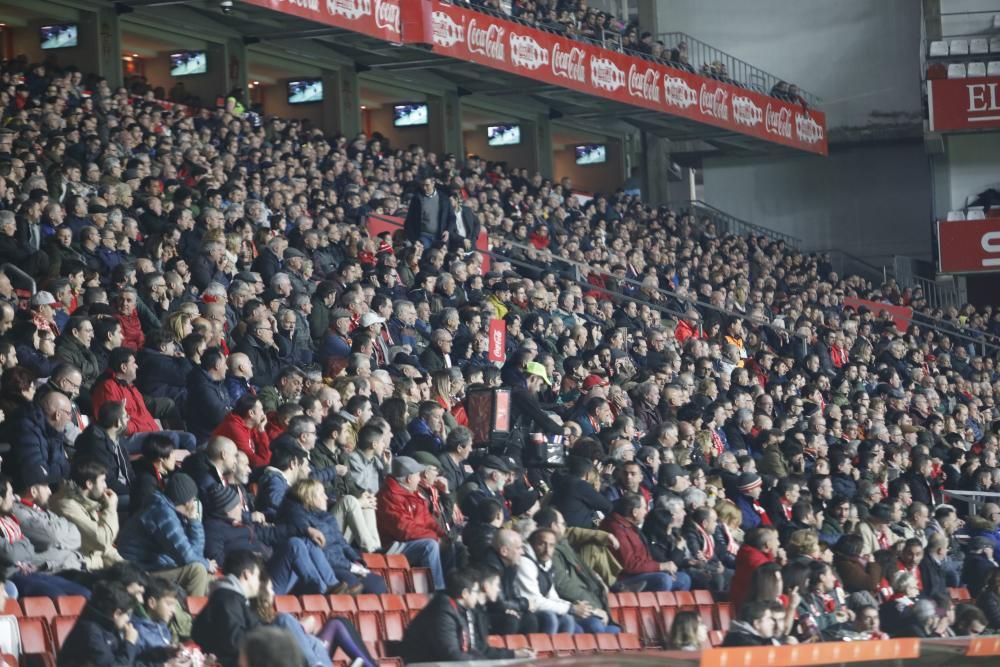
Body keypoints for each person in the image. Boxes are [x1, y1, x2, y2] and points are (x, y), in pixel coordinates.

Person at [400, 568, 533, 663]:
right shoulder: (442, 613)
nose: (478, 595)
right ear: (464, 593)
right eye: (475, 591)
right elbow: (451, 654)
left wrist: (500, 658)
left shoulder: (461, 610)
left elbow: (474, 649)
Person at [253, 568, 377, 667]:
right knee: (287, 621)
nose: (274, 593)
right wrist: (299, 629)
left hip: (306, 656)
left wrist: (300, 630)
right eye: (270, 589)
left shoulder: (273, 617)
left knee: (335, 624)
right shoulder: (260, 621)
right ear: (262, 594)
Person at [117, 472, 215, 596]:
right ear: (189, 502)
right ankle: (190, 614)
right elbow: (187, 558)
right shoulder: (162, 513)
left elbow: (195, 554)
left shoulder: (172, 512)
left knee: (214, 582)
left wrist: (193, 522)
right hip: (139, 572)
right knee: (198, 571)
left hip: (155, 567)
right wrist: (205, 563)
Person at [375, 456, 446, 590]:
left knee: (452, 546)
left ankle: (453, 590)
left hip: (414, 540)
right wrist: (434, 537)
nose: (420, 479)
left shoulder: (412, 494)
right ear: (408, 478)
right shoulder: (388, 496)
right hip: (394, 546)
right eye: (418, 475)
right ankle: (438, 591)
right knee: (429, 546)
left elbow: (428, 521)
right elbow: (404, 530)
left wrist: (443, 536)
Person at [601, 493, 690, 592]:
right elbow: (629, 565)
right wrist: (660, 566)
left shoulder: (631, 527)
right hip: (623, 579)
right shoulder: (616, 530)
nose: (646, 512)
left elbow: (645, 559)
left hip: (641, 573)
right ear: (635, 512)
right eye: (644, 508)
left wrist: (662, 569)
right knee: (663, 580)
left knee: (683, 579)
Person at [192, 549, 263, 667]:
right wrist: (268, 638)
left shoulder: (230, 599)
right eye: (257, 576)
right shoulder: (227, 600)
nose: (259, 582)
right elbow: (234, 642)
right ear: (246, 575)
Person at [51, 459, 124, 570]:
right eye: (103, 481)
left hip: (96, 565)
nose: (106, 486)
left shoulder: (87, 502)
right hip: (80, 570)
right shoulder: (66, 506)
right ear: (89, 484)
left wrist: (128, 568)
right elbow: (102, 541)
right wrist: (111, 508)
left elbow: (106, 549)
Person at [57, 580, 140, 666]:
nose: (128, 619)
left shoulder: (109, 627)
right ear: (117, 613)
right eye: (127, 614)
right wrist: (129, 643)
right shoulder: (90, 632)